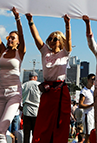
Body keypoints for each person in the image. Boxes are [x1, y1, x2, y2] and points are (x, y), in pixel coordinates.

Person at [25, 13, 72, 143]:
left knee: (60, 123)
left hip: (61, 92)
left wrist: (67, 25)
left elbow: (69, 41)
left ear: (61, 41)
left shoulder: (65, 53)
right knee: (43, 122)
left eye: (55, 38)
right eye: (50, 38)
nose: (52, 41)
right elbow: (36, 37)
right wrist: (30, 21)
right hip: (48, 91)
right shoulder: (45, 52)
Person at [0, 6, 26, 143]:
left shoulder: (20, 52)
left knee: (1, 131)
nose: (10, 40)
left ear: (18, 41)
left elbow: (22, 34)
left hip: (14, 94)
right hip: (0, 94)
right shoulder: (3, 51)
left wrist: (17, 18)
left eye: (13, 38)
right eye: (8, 37)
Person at [21, 72, 41, 143]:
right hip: (36, 111)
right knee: (36, 133)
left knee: (26, 133)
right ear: (35, 77)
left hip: (26, 111)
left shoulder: (24, 85)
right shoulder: (39, 85)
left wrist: (21, 107)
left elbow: (19, 97)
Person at [79, 74, 96, 143]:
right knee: (88, 134)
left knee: (93, 134)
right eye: (92, 79)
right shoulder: (84, 91)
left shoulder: (93, 90)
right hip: (87, 114)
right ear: (88, 80)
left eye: (94, 79)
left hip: (94, 114)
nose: (93, 81)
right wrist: (91, 105)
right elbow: (80, 104)